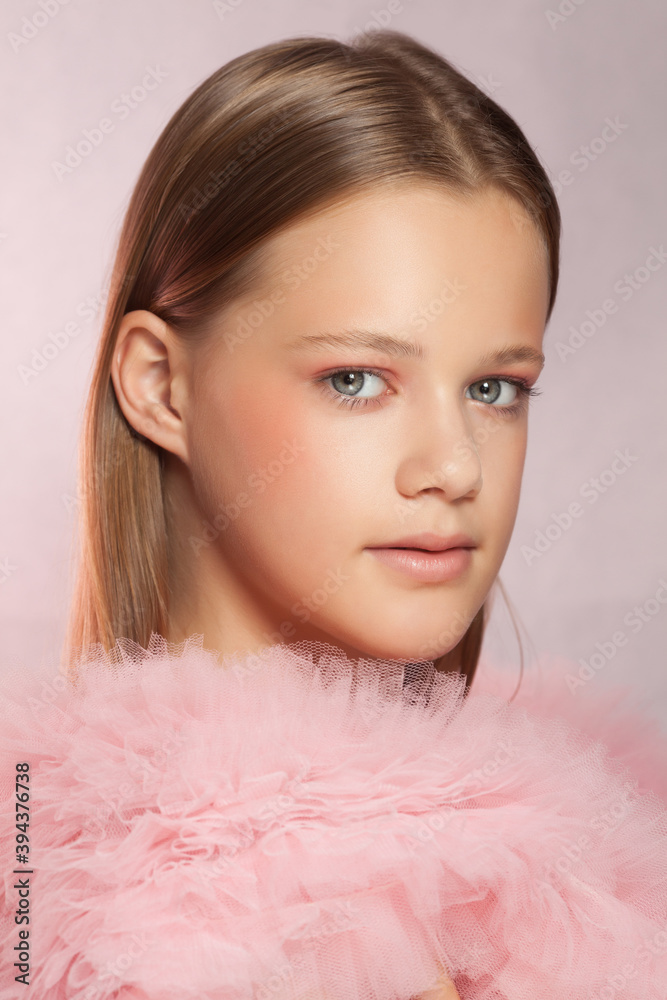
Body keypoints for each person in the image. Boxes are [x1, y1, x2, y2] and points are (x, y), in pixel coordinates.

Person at [1, 31, 666, 1000]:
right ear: (161, 388)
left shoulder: (562, 834)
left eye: (494, 387)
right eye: (355, 379)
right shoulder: (301, 930)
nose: (451, 466)